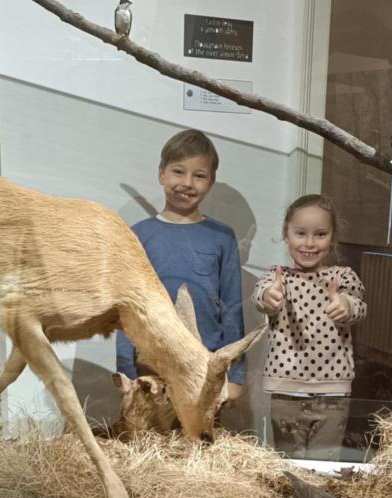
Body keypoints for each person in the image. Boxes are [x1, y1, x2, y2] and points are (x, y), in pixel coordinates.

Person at [116, 129, 245, 399]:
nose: (187, 183)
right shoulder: (137, 235)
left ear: (210, 182)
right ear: (161, 174)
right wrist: (127, 371)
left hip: (205, 368)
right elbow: (127, 310)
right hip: (149, 369)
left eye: (199, 176)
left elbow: (232, 309)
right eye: (178, 172)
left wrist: (235, 376)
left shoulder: (222, 237)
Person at [252, 194, 366, 459]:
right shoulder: (277, 276)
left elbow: (358, 305)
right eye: (300, 233)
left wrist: (346, 305)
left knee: (324, 463)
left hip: (332, 392)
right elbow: (261, 295)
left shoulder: (342, 276)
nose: (310, 243)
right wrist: (269, 296)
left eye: (320, 234)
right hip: (286, 390)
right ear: (286, 235)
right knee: (287, 462)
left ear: (332, 238)